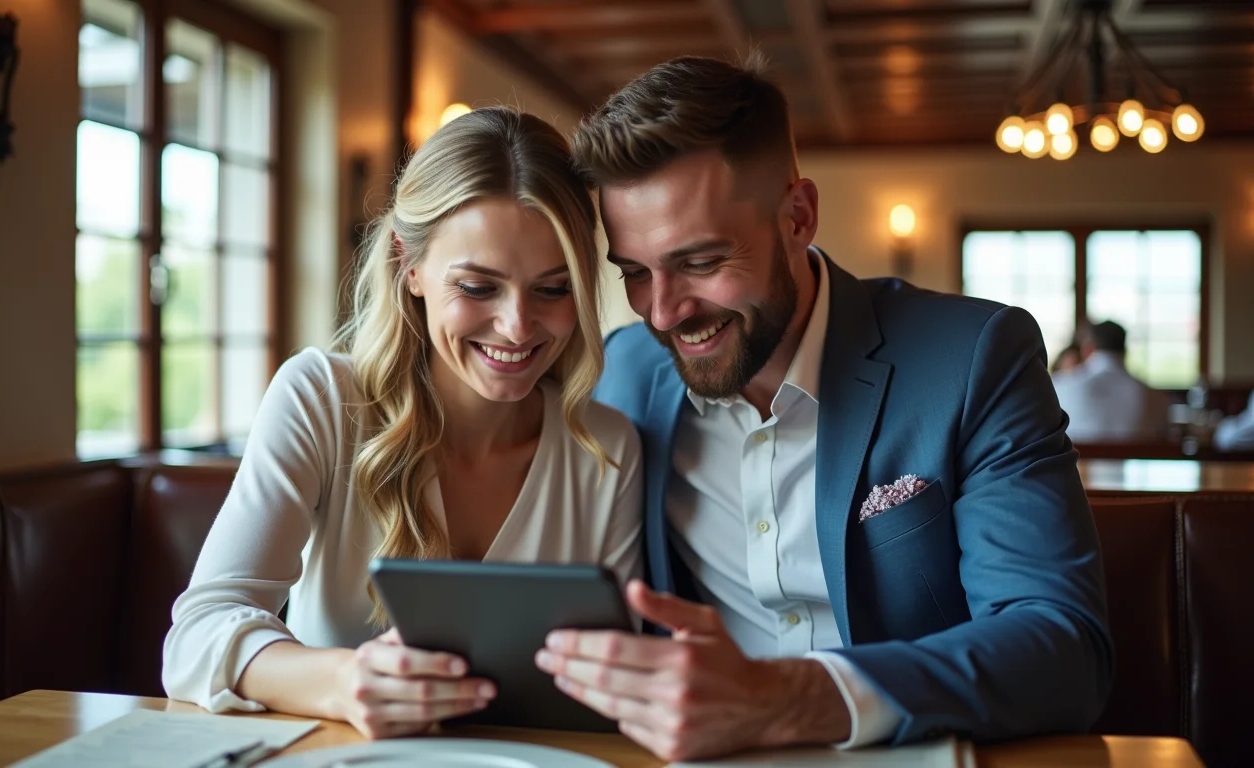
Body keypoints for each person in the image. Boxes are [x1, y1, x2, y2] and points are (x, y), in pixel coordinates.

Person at [533, 55, 1111, 762]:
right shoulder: (625, 372)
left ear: (798, 215)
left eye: (703, 261)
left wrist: (788, 698)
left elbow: (1062, 645)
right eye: (633, 273)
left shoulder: (973, 358)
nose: (664, 311)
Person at [163, 107, 644, 740]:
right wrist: (341, 682)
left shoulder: (606, 451)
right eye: (477, 287)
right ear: (408, 264)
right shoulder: (320, 401)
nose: (518, 327)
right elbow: (196, 636)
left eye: (552, 290)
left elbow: (615, 689)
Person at [1051, 320, 1170, 442]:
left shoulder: (1059, 387)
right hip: (1136, 460)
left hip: (1078, 460)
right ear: (1125, 350)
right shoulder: (1157, 397)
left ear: (1088, 348)